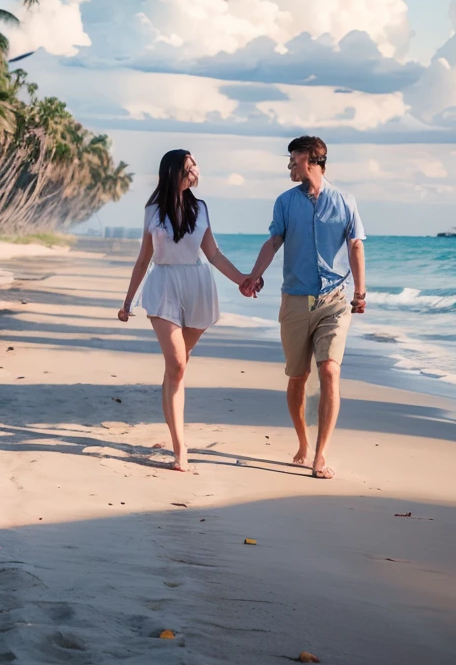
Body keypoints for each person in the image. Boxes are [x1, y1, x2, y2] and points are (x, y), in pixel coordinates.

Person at [240, 135, 366, 480]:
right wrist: (254, 275)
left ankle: (320, 455)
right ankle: (303, 443)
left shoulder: (345, 201)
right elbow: (274, 240)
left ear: (313, 161)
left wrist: (360, 291)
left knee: (330, 372)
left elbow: (355, 245)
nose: (289, 167)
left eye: (294, 161)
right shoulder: (284, 202)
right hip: (295, 299)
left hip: (335, 300)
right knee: (298, 377)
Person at [118, 149, 252, 472]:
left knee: (176, 367)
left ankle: (173, 416)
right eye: (189, 166)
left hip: (197, 286)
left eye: (195, 165)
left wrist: (242, 280)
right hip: (163, 286)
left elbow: (215, 254)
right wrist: (127, 302)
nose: (194, 171)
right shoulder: (153, 210)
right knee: (177, 364)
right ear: (174, 172)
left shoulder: (200, 208)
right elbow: (143, 258)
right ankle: (180, 449)